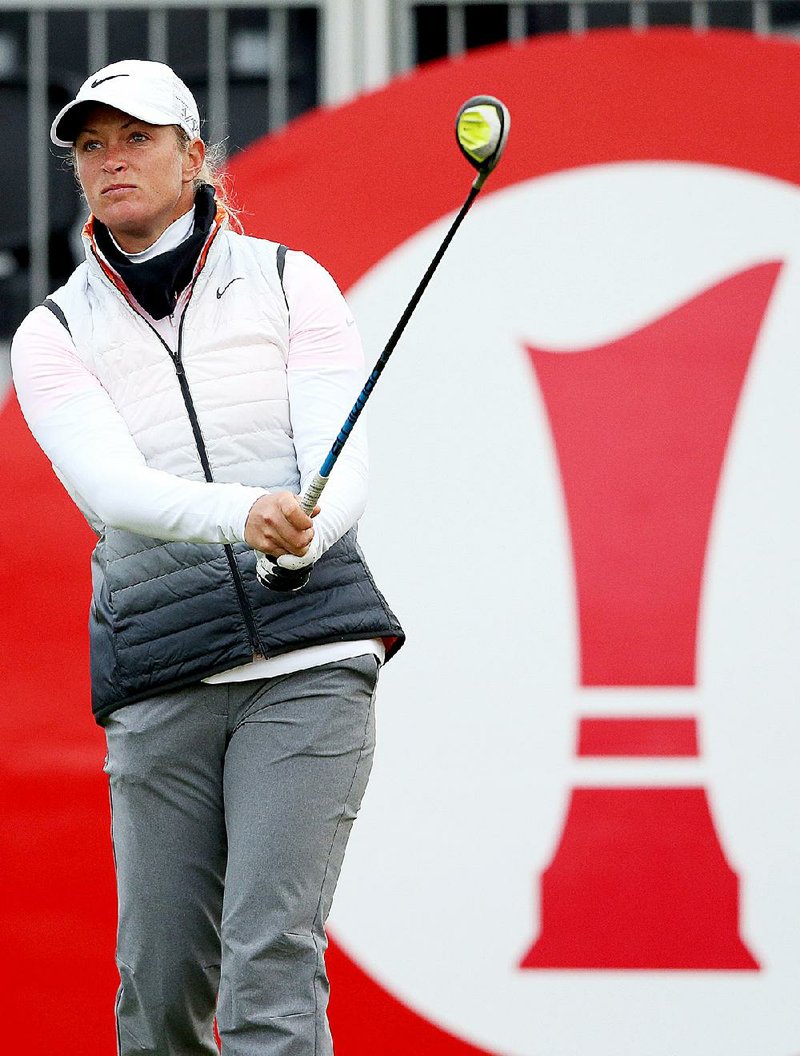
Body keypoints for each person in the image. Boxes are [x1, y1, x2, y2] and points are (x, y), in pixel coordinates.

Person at [11, 59, 403, 1056]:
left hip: (307, 665)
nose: (110, 160)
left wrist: (307, 525)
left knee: (269, 963)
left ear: (193, 158)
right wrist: (249, 515)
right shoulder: (52, 331)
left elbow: (337, 455)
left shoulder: (286, 279)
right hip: (161, 668)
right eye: (90, 147)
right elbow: (112, 490)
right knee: (158, 984)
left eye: (134, 138)